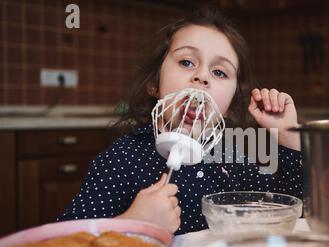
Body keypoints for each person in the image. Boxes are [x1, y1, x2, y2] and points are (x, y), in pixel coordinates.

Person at [58, 8, 303, 235]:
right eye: (187, 62)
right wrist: (131, 224)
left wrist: (289, 139)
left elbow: (290, 214)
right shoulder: (122, 160)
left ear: (229, 106)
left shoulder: (231, 157)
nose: (202, 76)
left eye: (220, 72)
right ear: (154, 83)